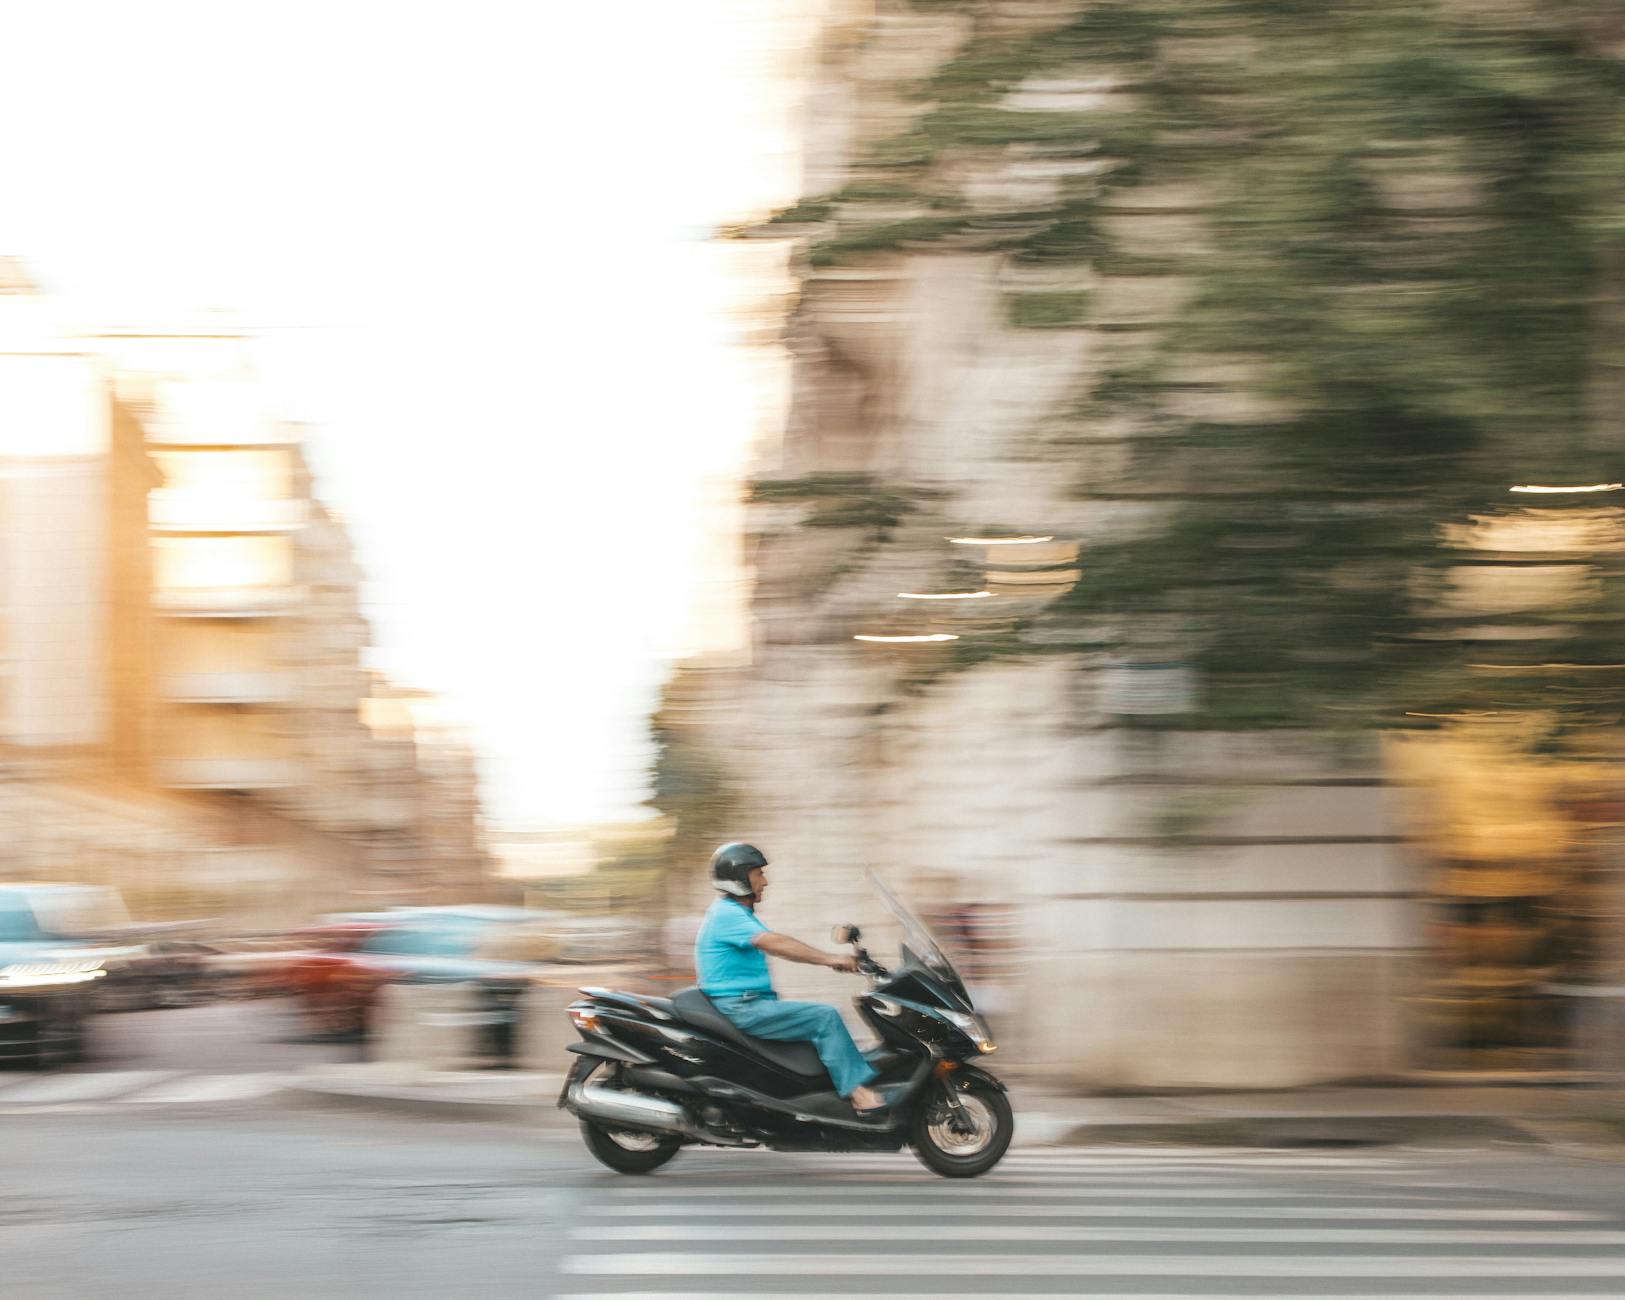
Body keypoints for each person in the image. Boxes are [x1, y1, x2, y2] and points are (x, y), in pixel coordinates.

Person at [694, 842, 885, 1115]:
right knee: (824, 1017)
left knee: (817, 1024)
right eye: (758, 874)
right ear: (739, 878)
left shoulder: (734, 914)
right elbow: (776, 943)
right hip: (741, 1007)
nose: (765, 881)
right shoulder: (727, 914)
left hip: (747, 1002)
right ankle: (859, 1094)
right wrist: (832, 959)